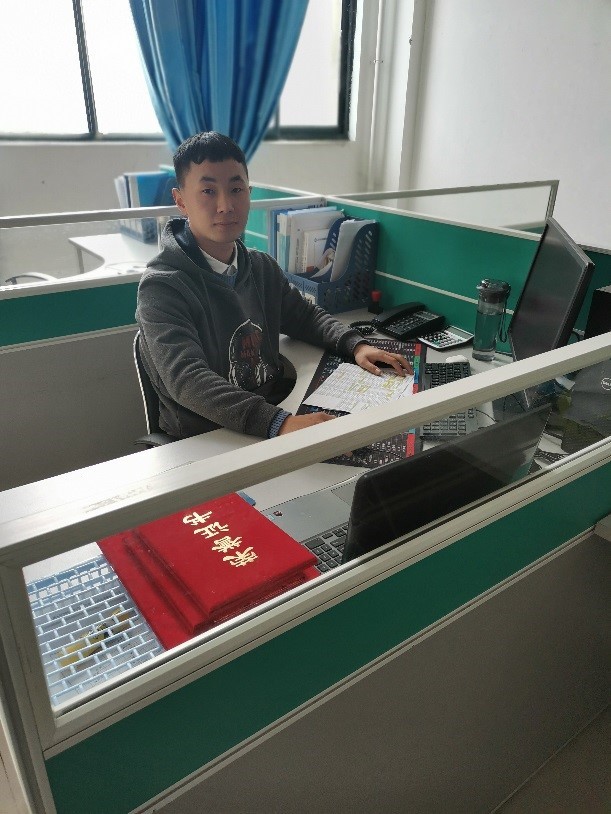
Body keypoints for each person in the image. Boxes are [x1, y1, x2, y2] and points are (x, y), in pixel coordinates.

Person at [136, 131, 411, 440]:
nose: (226, 205)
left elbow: (304, 316)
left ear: (249, 193)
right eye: (208, 191)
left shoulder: (260, 267)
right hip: (207, 436)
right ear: (181, 201)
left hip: (270, 413)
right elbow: (188, 381)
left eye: (236, 189)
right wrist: (278, 422)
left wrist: (355, 344)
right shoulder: (162, 287)